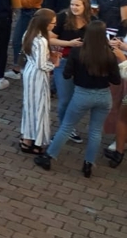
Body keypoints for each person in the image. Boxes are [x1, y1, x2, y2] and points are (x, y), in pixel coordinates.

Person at [37, 20, 124, 177]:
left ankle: (48, 157)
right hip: (103, 96)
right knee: (95, 131)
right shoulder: (109, 55)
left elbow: (66, 74)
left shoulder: (78, 53)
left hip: (82, 94)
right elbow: (116, 80)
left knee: (67, 126)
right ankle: (88, 164)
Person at [19, 8, 57, 154]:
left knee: (29, 105)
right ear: (45, 23)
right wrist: (54, 64)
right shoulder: (41, 40)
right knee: (40, 108)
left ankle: (26, 137)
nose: (54, 25)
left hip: (29, 71)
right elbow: (42, 65)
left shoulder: (28, 34)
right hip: (38, 76)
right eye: (52, 23)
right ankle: (38, 141)